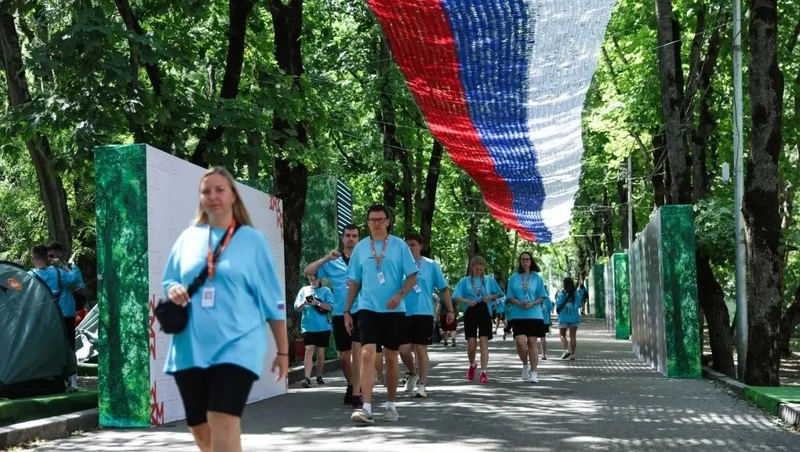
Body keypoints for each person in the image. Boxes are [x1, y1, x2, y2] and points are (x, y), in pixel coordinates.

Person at [162, 167, 288, 452]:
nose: (213, 196)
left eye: (219, 189)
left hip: (238, 344)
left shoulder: (252, 241)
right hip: (190, 347)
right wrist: (173, 289)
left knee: (223, 419)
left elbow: (272, 300)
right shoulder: (188, 238)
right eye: (206, 191)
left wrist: (282, 351)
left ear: (233, 195)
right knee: (200, 428)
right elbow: (170, 277)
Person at [343, 204, 418, 424]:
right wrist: (347, 310)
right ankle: (366, 407)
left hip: (393, 309)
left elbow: (413, 275)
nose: (376, 223)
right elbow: (355, 281)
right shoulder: (361, 248)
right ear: (367, 222)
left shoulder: (399, 245)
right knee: (367, 354)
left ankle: (391, 406)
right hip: (367, 307)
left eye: (380, 219)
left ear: (387, 221)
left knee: (391, 358)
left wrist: (400, 295)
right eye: (372, 219)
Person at [304, 224, 363, 408]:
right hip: (339, 313)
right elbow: (309, 271)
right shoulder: (333, 261)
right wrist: (326, 258)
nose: (351, 239)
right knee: (344, 356)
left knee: (358, 352)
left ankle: (357, 391)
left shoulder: (364, 259)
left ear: (359, 238)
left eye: (354, 236)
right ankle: (351, 384)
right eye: (348, 235)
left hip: (361, 311)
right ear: (342, 238)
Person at [398, 233, 455, 398]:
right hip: (403, 312)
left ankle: (422, 385)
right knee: (403, 349)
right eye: (407, 245)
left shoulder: (430, 265)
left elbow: (443, 288)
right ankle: (412, 372)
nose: (410, 248)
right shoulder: (399, 265)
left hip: (423, 312)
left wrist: (450, 310)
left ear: (420, 246)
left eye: (413, 244)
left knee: (421, 348)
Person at [28, 244, 81, 391]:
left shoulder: (30, 276)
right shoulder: (58, 273)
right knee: (69, 347)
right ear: (47, 257)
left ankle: (50, 380)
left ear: (32, 258)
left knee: (47, 348)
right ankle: (73, 382)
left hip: (44, 319)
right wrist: (63, 265)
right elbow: (74, 278)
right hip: (65, 315)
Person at [452, 256, 504, 384]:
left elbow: (500, 293)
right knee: (471, 344)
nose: (479, 272)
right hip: (471, 311)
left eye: (481, 269)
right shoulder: (464, 281)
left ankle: (484, 372)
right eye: (476, 269)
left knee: (484, 342)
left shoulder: (489, 280)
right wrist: (467, 301)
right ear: (472, 268)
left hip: (484, 311)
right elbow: (455, 296)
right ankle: (472, 364)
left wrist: (490, 296)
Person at [47, 241, 86, 391]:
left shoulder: (71, 268)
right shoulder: (46, 270)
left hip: (68, 314)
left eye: (54, 253)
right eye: (49, 254)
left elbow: (81, 288)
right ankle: (56, 380)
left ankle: (73, 382)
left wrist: (62, 269)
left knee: (70, 348)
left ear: (60, 253)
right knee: (52, 347)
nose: (51, 256)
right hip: (50, 315)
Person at [506, 252, 548, 383]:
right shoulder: (514, 277)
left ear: (531, 261)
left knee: (532, 343)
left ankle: (534, 372)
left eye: (528, 259)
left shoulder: (537, 278)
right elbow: (510, 296)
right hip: (518, 315)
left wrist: (533, 303)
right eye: (523, 259)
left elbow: (542, 296)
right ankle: (525, 364)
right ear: (520, 261)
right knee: (520, 343)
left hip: (534, 314)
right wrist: (519, 302)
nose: (525, 262)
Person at [294, 274, 334, 388]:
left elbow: (331, 307)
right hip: (308, 326)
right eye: (310, 279)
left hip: (323, 327)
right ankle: (307, 378)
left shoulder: (326, 291)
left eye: (315, 279)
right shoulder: (304, 290)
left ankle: (319, 375)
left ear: (320, 279)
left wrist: (318, 303)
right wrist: (304, 303)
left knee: (320, 353)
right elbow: (296, 308)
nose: (312, 281)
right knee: (308, 350)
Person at [557, 276, 582, 360]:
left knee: (562, 335)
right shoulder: (576, 294)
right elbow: (578, 305)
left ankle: (566, 350)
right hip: (574, 317)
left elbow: (558, 304)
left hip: (563, 317)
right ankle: (573, 355)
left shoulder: (562, 294)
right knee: (573, 336)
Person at [540, 290, 553, 359]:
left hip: (535, 320)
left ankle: (530, 354)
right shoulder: (547, 298)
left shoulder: (533, 296)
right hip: (545, 321)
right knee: (543, 338)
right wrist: (549, 320)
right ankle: (543, 355)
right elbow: (549, 310)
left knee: (532, 338)